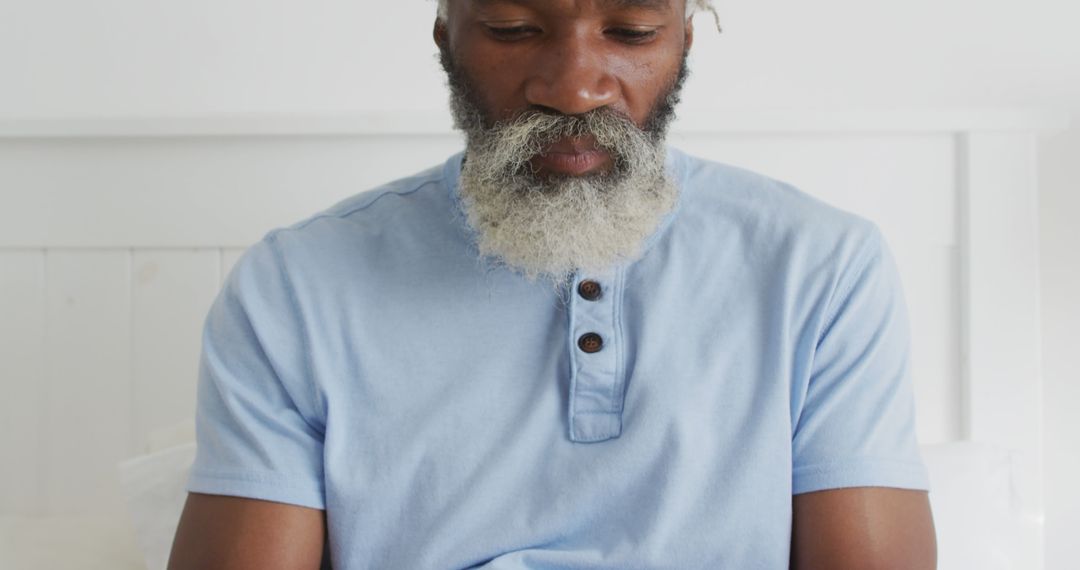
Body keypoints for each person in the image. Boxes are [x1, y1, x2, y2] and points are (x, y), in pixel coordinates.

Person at [168, 0, 937, 568]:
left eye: (632, 33)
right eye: (512, 28)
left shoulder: (821, 267)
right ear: (446, 33)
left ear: (684, 40)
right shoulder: (296, 286)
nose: (574, 89)